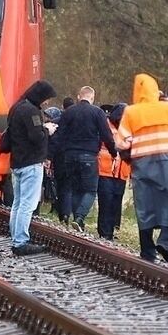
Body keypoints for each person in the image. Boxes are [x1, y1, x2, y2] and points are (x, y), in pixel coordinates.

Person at [117, 73, 168, 264]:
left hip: (142, 161)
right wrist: (166, 103)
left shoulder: (131, 112)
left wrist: (130, 157)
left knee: (145, 204)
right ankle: (165, 241)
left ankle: (147, 251)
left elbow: (122, 142)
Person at [55, 86, 118, 231]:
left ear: (79, 96)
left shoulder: (68, 112)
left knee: (75, 188)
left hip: (69, 156)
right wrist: (113, 152)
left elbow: (60, 135)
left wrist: (55, 155)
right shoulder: (97, 112)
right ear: (92, 97)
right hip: (88, 156)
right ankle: (79, 217)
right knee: (90, 190)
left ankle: (78, 221)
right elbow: (106, 135)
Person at [5, 80, 57, 255]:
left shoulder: (17, 107)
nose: (47, 103)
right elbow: (36, 137)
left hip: (17, 162)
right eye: (47, 99)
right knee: (28, 204)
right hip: (31, 163)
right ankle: (20, 242)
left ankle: (15, 237)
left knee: (18, 203)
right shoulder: (31, 111)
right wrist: (47, 130)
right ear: (40, 96)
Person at [96, 104, 131, 240]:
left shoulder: (128, 129)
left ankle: (110, 231)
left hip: (121, 172)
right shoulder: (106, 126)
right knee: (106, 202)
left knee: (116, 203)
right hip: (105, 170)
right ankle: (104, 231)